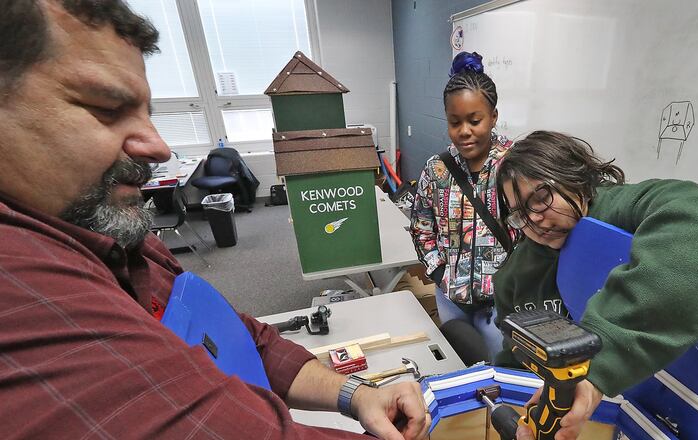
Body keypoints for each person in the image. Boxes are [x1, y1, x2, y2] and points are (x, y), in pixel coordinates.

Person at [0, 1, 429, 439]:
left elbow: (237, 335)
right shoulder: (20, 290)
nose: (158, 145)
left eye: (148, 113)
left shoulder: (109, 231)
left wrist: (355, 393)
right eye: (106, 108)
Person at [492, 131, 698, 440]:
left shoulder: (627, 208)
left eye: (540, 198)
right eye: (519, 213)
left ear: (572, 176)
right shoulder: (512, 277)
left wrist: (597, 364)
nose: (534, 220)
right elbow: (514, 361)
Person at [410, 51, 513, 361]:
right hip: (450, 297)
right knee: (461, 367)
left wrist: (514, 284)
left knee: (500, 374)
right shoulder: (436, 170)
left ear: (493, 117)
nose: (464, 131)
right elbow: (421, 226)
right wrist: (438, 270)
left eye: (475, 120)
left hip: (500, 304)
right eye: (455, 122)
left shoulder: (515, 167)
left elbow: (533, 233)